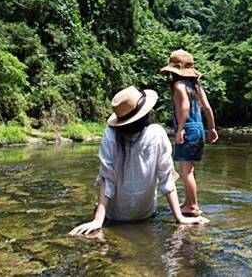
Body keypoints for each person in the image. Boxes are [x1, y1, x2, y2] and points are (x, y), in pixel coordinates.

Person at [70, 86, 208, 237]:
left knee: (103, 177)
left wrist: (98, 220)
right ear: (145, 114)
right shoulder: (157, 134)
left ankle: (99, 210)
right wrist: (179, 218)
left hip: (114, 216)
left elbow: (107, 179)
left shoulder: (110, 134)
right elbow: (166, 179)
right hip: (145, 214)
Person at [159, 50, 219, 217]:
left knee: (186, 171)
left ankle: (192, 206)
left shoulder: (179, 85)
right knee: (190, 170)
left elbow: (185, 106)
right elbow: (207, 108)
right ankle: (188, 202)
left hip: (188, 128)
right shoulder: (196, 86)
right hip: (199, 128)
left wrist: (180, 129)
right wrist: (212, 128)